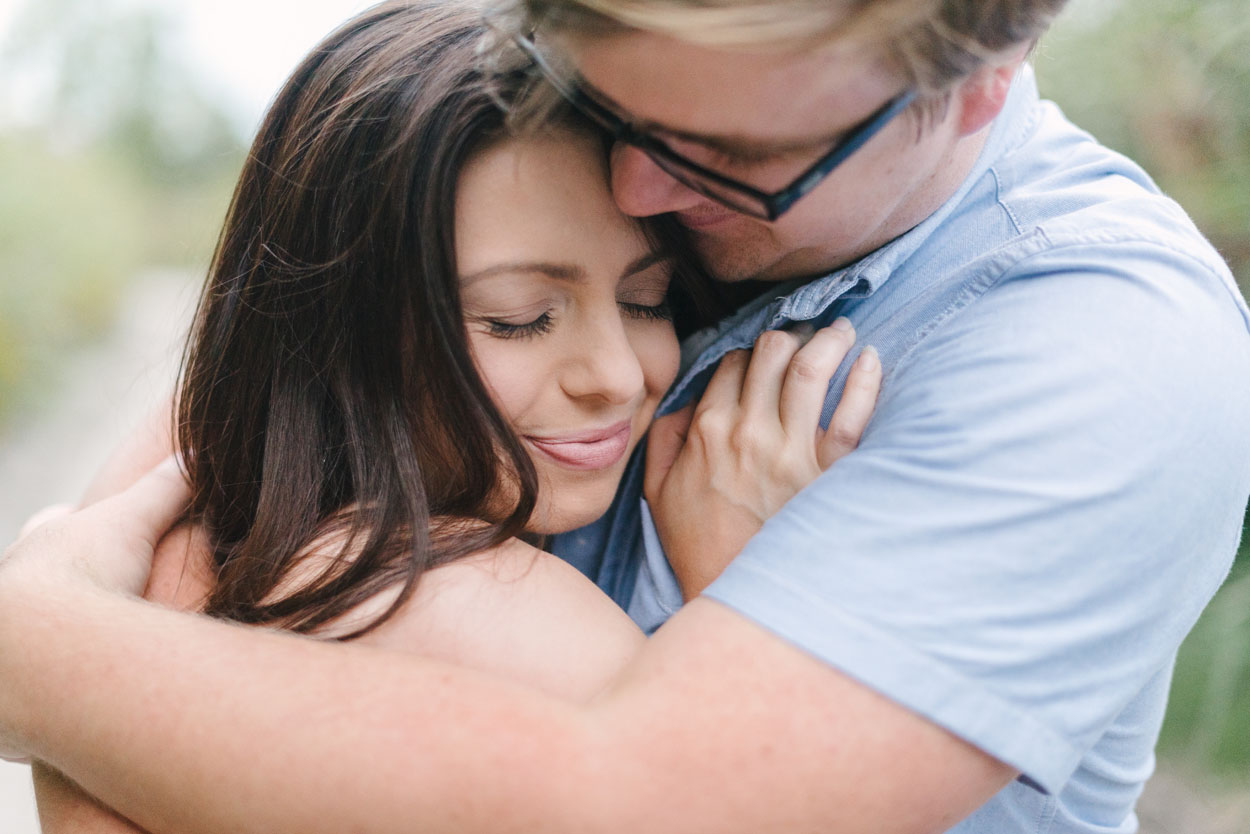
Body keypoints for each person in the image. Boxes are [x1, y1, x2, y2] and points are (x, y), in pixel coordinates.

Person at [1, 0, 1248, 831]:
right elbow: (216, 476)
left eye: (717, 150)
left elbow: (640, 805)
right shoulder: (636, 120)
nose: (638, 186)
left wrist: (37, 646)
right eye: (614, 112)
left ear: (975, 84)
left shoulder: (1100, 347)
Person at [13, 2, 881, 831]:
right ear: (337, 328)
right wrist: (748, 590)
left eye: (648, 299)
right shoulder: (461, 602)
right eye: (518, 318)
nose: (617, 376)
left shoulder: (184, 534)